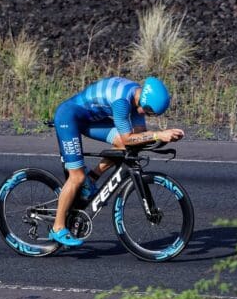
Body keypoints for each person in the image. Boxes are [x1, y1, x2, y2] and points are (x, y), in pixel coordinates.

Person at [50, 76, 184, 247]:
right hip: (69, 117)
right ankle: (58, 227)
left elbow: (139, 136)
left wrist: (166, 137)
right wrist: (158, 134)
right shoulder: (122, 101)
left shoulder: (137, 98)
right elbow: (130, 139)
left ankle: (91, 179)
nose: (146, 115)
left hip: (89, 118)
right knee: (76, 177)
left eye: (151, 114)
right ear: (144, 100)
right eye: (149, 111)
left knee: (122, 145)